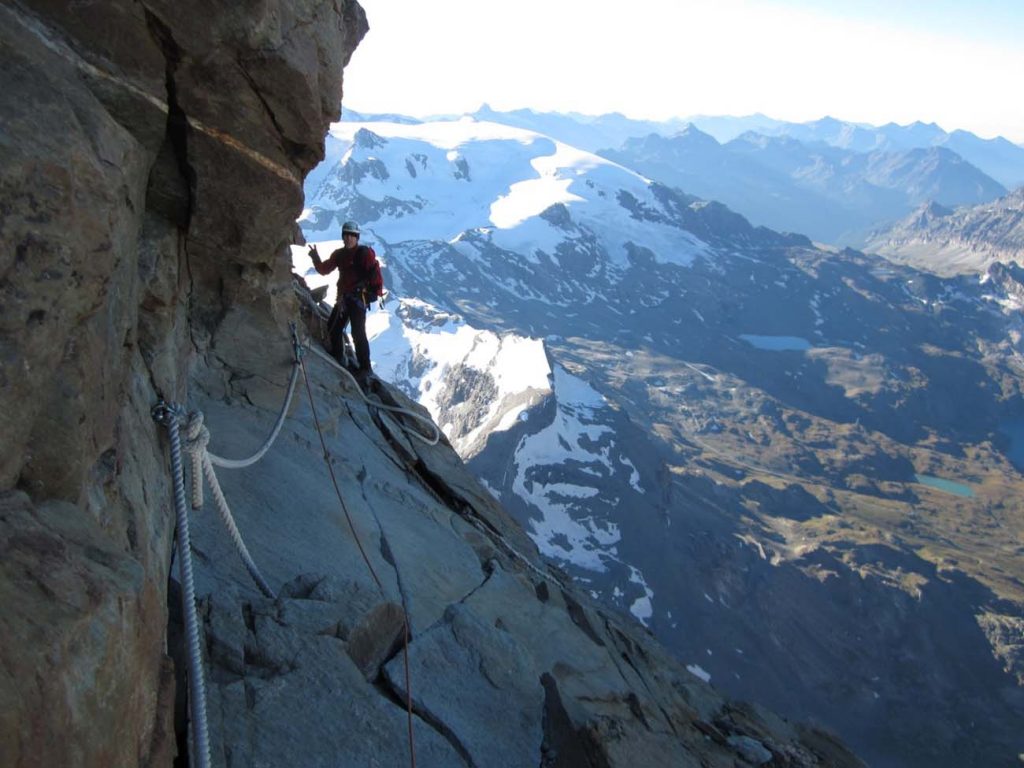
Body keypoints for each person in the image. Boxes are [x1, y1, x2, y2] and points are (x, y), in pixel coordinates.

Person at [307, 220, 384, 381]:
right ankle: (339, 357)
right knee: (333, 328)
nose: (349, 238)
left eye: (352, 235)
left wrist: (374, 292)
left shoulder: (364, 253)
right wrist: (315, 257)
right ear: (343, 237)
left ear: (357, 238)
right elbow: (324, 269)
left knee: (358, 333)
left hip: (358, 299)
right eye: (346, 235)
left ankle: (365, 368)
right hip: (344, 299)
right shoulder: (339, 254)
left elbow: (374, 273)